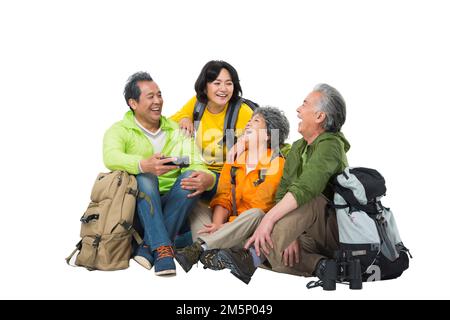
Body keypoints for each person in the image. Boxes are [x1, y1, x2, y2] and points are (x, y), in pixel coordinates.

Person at [209, 84, 350, 284]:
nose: (298, 110)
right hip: (305, 233)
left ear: (320, 117)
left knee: (308, 199)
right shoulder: (299, 147)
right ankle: (321, 266)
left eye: (305, 104)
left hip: (329, 228)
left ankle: (250, 258)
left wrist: (268, 222)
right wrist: (244, 142)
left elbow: (306, 188)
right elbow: (282, 187)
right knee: (277, 254)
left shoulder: (331, 145)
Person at [103, 72, 216, 276]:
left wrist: (208, 178)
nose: (158, 101)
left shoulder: (175, 130)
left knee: (191, 176)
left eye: (160, 95)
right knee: (145, 179)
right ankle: (164, 249)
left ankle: (149, 247)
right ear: (133, 103)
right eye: (150, 97)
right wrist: (142, 165)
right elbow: (110, 157)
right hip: (140, 206)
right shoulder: (119, 130)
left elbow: (197, 161)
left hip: (177, 201)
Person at [173, 107, 290, 273]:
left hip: (249, 232)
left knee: (256, 213)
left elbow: (261, 206)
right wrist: (217, 224)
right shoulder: (236, 157)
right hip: (226, 228)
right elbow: (224, 196)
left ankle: (201, 247)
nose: (249, 123)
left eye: (256, 121)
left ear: (268, 135)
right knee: (195, 202)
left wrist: (225, 228)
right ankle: (214, 253)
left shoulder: (276, 163)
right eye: (250, 120)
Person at [170, 60, 254, 199]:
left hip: (230, 178)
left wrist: (243, 143)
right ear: (204, 87)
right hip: (202, 168)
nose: (224, 89)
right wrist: (184, 117)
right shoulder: (198, 103)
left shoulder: (243, 112)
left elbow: (261, 145)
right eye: (217, 83)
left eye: (229, 83)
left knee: (189, 181)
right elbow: (166, 124)